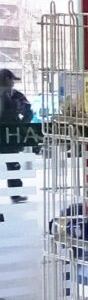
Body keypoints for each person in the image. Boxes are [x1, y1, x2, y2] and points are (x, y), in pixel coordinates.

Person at [1, 69, 32, 203]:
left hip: (9, 134)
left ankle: (16, 193)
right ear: (7, 80)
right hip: (10, 134)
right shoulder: (15, 95)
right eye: (12, 79)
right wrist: (22, 125)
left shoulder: (14, 95)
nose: (13, 82)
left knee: (13, 164)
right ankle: (15, 193)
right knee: (13, 164)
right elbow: (28, 111)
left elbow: (28, 111)